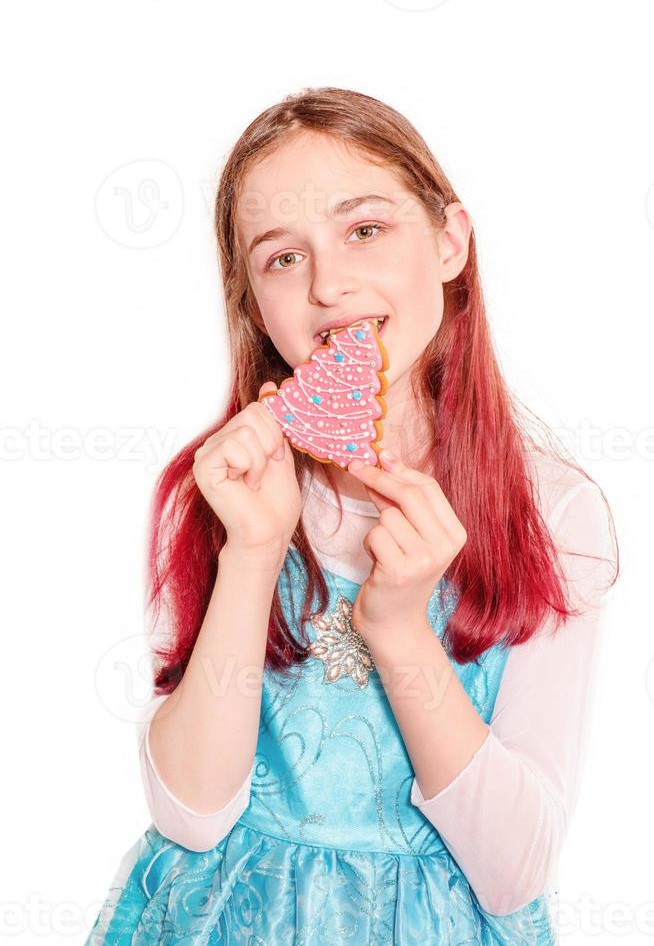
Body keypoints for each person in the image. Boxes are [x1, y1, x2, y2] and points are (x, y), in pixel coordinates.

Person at [86, 87, 619, 944]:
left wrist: (402, 630)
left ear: (449, 242)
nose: (330, 284)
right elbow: (190, 815)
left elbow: (515, 868)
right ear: (254, 301)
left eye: (364, 230)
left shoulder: (555, 514)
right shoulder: (222, 488)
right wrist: (252, 554)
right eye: (282, 258)